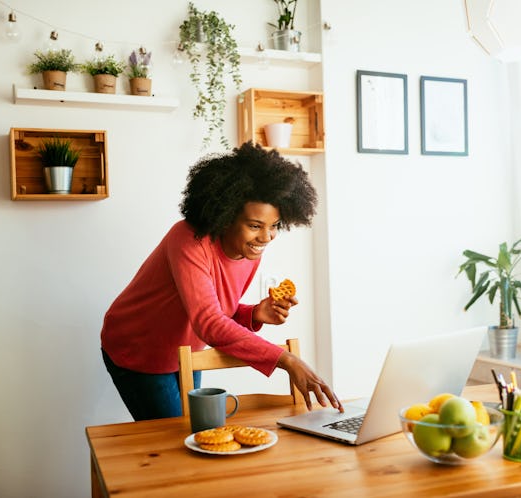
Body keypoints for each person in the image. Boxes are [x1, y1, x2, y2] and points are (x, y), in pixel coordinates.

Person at [100, 142, 342, 420]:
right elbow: (209, 322)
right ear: (225, 217)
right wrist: (286, 359)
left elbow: (213, 307)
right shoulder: (188, 240)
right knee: (173, 443)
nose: (266, 237)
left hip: (187, 349)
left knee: (197, 432)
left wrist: (253, 314)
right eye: (254, 225)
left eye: (273, 226)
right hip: (139, 345)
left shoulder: (250, 250)